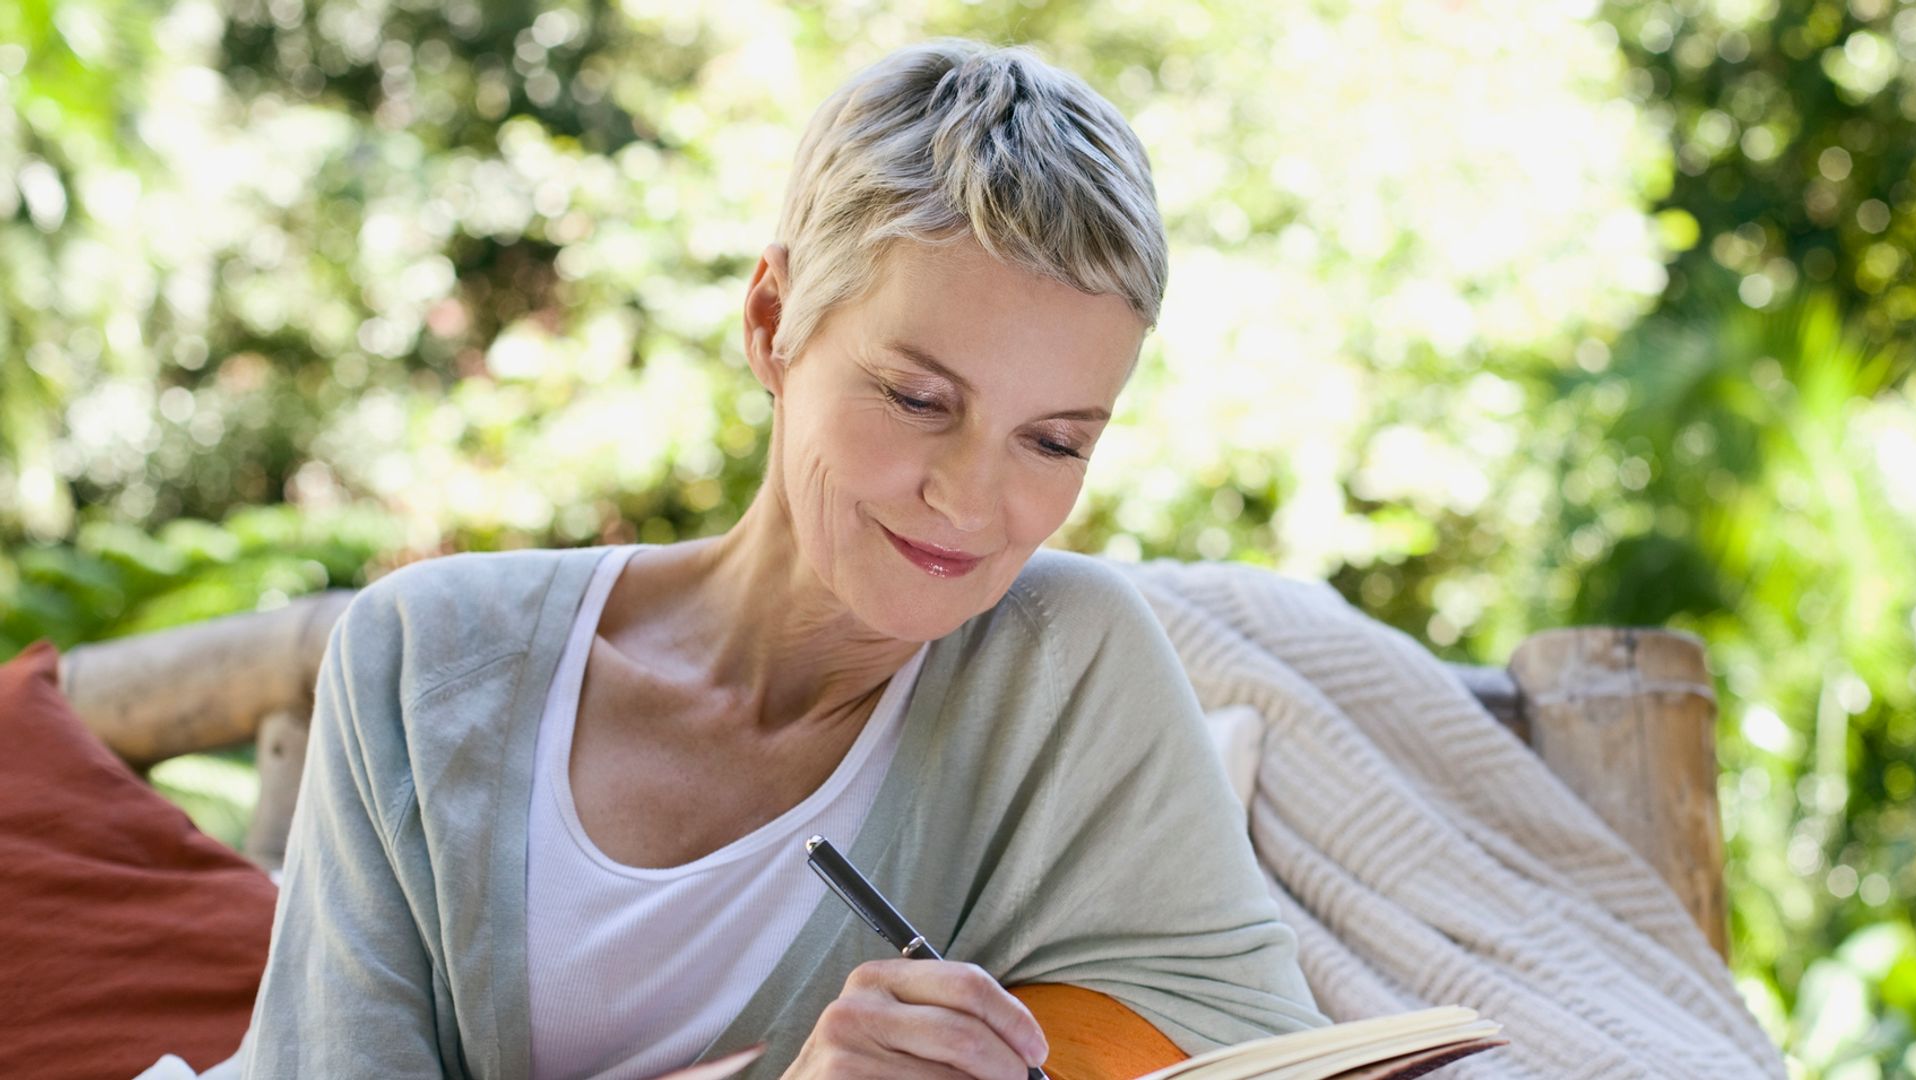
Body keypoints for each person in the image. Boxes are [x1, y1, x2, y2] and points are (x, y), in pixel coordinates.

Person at [238, 38, 1326, 1080]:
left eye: (1053, 442)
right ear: (772, 321)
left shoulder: (1065, 669)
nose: (969, 500)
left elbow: (1259, 1049)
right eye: (917, 398)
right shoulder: (423, 663)